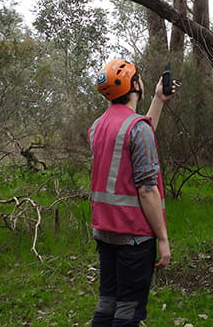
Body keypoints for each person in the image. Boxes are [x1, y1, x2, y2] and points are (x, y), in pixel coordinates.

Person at [88, 59, 177, 326]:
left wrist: (158, 100)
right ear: (135, 84)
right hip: (134, 237)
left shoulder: (97, 127)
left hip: (105, 232)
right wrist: (163, 238)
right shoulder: (137, 129)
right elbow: (147, 189)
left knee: (108, 304)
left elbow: (139, 135)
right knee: (128, 312)